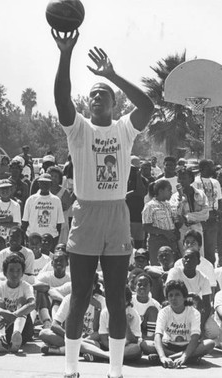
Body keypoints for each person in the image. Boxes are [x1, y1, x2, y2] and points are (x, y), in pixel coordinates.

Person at [52, 27, 154, 378]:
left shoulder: (125, 129)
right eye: (93, 94)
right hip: (86, 213)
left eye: (103, 95)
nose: (96, 98)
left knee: (115, 296)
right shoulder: (78, 129)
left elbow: (148, 105)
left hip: (116, 213)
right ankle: (70, 370)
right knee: (79, 296)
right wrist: (66, 54)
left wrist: (111, 75)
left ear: (113, 104)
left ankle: (115, 372)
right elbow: (62, 99)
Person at [142, 280, 215, 368]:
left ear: (184, 297)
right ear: (167, 298)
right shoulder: (163, 312)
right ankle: (189, 359)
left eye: (177, 294)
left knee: (210, 344)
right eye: (170, 295)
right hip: (168, 346)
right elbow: (158, 335)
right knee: (144, 344)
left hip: (188, 346)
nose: (173, 298)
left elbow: (195, 338)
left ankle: (173, 358)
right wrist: (162, 356)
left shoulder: (193, 312)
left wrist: (184, 356)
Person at [0, 254, 35, 353]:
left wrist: (14, 315)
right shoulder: (0, 286)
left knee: (23, 301)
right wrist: (2, 312)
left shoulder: (26, 286)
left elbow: (32, 304)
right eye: (11, 270)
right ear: (5, 273)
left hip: (23, 329)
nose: (15, 274)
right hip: (2, 325)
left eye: (18, 271)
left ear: (22, 273)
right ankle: (2, 338)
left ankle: (16, 337)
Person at [142, 179, 180, 264]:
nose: (171, 192)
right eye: (168, 190)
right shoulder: (150, 206)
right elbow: (146, 226)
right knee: (157, 267)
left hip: (171, 239)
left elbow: (175, 221)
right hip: (157, 240)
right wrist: (164, 232)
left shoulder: (168, 205)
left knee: (171, 265)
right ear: (160, 191)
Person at [193, 159, 222, 265]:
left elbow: (219, 200)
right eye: (211, 166)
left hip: (212, 218)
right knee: (199, 248)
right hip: (199, 218)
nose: (213, 169)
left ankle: (211, 272)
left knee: (210, 249)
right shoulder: (195, 182)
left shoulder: (216, 182)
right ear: (203, 168)